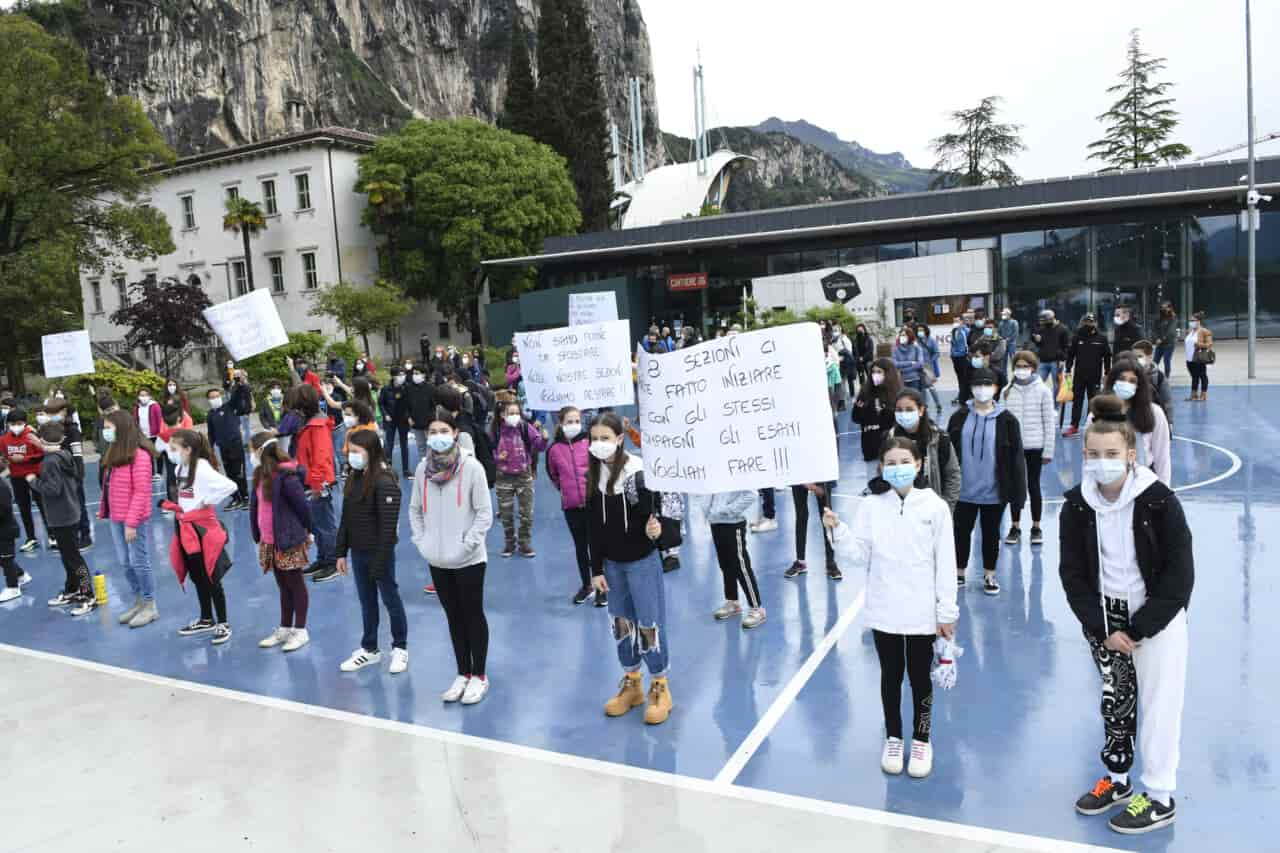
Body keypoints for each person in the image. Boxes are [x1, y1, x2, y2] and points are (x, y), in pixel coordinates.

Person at [1059, 394, 1192, 835]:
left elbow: (1180, 572)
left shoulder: (1157, 499)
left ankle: (1159, 795)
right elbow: (1072, 573)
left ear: (1131, 455)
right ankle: (1117, 781)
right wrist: (1100, 629)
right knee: (1116, 703)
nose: (1102, 463)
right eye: (1093, 455)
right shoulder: (1076, 506)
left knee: (1158, 705)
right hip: (1106, 620)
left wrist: (1140, 628)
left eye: (1112, 454)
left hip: (1155, 620)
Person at [826, 437, 957, 779]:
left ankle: (922, 739)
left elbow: (945, 563)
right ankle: (894, 737)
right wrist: (838, 530)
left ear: (918, 465)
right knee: (890, 677)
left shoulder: (935, 507)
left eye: (904, 461)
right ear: (881, 468)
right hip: (884, 610)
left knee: (919, 679)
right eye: (890, 462)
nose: (897, 468)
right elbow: (859, 554)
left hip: (923, 615)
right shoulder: (872, 505)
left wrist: (946, 613)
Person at [586, 413, 673, 725]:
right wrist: (595, 570)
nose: (599, 444)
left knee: (649, 623)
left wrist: (656, 531)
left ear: (620, 438)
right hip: (612, 567)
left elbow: (658, 518)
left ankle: (660, 685)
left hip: (641, 563)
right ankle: (632, 682)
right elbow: (592, 528)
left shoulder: (637, 472)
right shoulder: (593, 473)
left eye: (605, 438)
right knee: (621, 623)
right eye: (594, 438)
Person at [408, 413, 494, 702]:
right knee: (453, 616)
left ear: (455, 433)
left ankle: (479, 675)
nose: (437, 435)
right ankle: (462, 673)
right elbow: (415, 509)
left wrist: (468, 544)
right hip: (437, 559)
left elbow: (484, 513)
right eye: (432, 430)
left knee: (472, 615)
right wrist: (422, 542)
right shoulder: (422, 470)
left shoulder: (472, 468)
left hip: (468, 559)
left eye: (443, 430)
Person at [333, 430, 408, 674]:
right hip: (358, 552)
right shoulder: (354, 478)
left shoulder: (385, 481)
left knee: (390, 599)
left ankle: (400, 648)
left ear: (371, 451)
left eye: (356, 452)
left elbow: (388, 529)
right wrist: (341, 551)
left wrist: (380, 562)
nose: (351, 456)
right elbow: (346, 517)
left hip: (380, 552)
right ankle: (370, 649)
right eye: (349, 451)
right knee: (367, 601)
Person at [947, 368, 1026, 595]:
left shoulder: (1008, 420)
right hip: (963, 491)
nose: (982, 389)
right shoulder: (959, 417)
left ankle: (990, 575)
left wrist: (1017, 495)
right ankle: (959, 572)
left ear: (996, 388)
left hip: (994, 492)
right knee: (960, 533)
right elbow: (946, 454)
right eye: (977, 384)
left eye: (987, 384)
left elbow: (1017, 460)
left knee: (991, 535)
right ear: (971, 388)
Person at [165, 430, 237, 644]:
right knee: (197, 575)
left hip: (203, 530)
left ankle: (223, 622)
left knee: (211, 576)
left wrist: (208, 500)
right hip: (185, 528)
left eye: (174, 449)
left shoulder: (203, 468)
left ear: (188, 450)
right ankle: (206, 618)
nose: (171, 453)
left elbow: (230, 486)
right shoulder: (180, 468)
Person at [250, 431, 313, 652]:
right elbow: (256, 506)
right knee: (282, 584)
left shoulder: (286, 477)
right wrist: (257, 534)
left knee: (295, 582)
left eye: (251, 450)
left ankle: (301, 629)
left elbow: (302, 507)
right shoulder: (259, 474)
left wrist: (309, 531)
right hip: (270, 540)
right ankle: (285, 627)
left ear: (259, 451)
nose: (250, 455)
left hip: (288, 538)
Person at [98, 410, 160, 627]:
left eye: (108, 427)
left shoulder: (140, 456)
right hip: (117, 517)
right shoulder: (116, 452)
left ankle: (150, 604)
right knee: (125, 562)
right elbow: (110, 486)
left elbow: (141, 492)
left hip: (134, 520)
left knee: (138, 561)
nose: (105, 431)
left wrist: (132, 523)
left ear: (121, 428)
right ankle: (139, 600)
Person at [29, 423, 96, 615]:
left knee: (73, 558)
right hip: (70, 512)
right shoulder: (64, 455)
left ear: (43, 441)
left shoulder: (50, 462)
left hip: (61, 516)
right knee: (68, 556)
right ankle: (72, 588)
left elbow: (52, 489)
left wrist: (33, 481)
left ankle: (88, 593)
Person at [869, 389, 960, 514]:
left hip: (931, 508)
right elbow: (882, 472)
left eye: (909, 409)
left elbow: (953, 475)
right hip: (898, 509)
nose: (904, 414)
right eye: (899, 410)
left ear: (921, 410)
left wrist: (946, 508)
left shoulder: (939, 438)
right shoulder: (888, 438)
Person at [1002, 351, 1056, 547]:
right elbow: (1002, 422)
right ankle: (1015, 526)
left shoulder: (1043, 391)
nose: (1021, 370)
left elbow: (1049, 422)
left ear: (1033, 368)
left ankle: (1036, 526)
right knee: (1015, 487)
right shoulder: (1007, 391)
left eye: (1025, 366)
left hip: (1035, 446)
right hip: (1013, 448)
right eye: (1018, 366)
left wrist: (1048, 450)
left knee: (1034, 486)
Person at [546, 406, 598, 606]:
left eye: (577, 420)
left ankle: (602, 586)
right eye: (569, 421)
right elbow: (553, 475)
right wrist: (567, 490)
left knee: (598, 546)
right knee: (580, 546)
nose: (574, 425)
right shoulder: (554, 450)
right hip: (571, 506)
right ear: (560, 423)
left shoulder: (589, 442)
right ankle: (587, 585)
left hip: (593, 502)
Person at [1095, 361, 1171, 486]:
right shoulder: (1098, 412)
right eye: (1122, 379)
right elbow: (1089, 454)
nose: (1126, 384)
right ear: (1112, 381)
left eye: (1132, 381)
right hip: (1109, 482)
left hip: (1144, 481)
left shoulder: (1154, 412)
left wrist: (1164, 489)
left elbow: (1162, 456)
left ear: (1139, 386)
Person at [700, 488, 766, 629]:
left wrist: (729, 510)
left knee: (741, 567)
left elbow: (752, 494)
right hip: (715, 522)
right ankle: (732, 602)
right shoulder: (713, 470)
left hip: (733, 523)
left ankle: (757, 608)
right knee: (725, 565)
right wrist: (709, 512)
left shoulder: (734, 471)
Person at [292, 385, 339, 583]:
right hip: (310, 481)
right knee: (317, 524)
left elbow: (321, 458)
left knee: (325, 524)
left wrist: (318, 485)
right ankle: (323, 558)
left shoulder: (317, 427)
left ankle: (332, 562)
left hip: (318, 482)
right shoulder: (310, 424)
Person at [491, 399, 547, 559]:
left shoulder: (524, 427)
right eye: (511, 413)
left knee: (526, 513)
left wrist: (543, 439)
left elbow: (539, 446)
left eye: (517, 413)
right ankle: (509, 542)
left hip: (524, 476)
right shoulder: (496, 430)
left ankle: (524, 543)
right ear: (502, 415)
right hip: (503, 477)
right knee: (506, 513)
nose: (515, 416)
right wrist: (497, 458)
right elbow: (489, 452)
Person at [43, 399, 91, 550]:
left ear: (64, 411)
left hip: (72, 474)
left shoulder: (72, 430)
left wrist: (78, 476)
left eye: (54, 413)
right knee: (65, 506)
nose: (51, 416)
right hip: (57, 474)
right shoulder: (48, 428)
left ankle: (85, 534)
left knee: (79, 504)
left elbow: (77, 455)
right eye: (49, 413)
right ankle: (71, 535)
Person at [0, 409, 44, 553]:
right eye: (12, 423)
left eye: (19, 423)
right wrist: (4, 461)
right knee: (24, 508)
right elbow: (4, 457)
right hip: (17, 477)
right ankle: (31, 538)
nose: (16, 426)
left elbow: (41, 455)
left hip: (35, 475)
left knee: (43, 505)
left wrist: (23, 459)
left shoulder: (31, 436)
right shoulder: (4, 439)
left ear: (25, 423)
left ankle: (52, 534)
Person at [1064, 313, 1112, 438]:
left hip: (1095, 376)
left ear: (1095, 323)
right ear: (1082, 322)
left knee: (1093, 401)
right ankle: (1074, 426)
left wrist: (1107, 373)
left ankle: (1090, 425)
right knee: (1077, 401)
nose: (1088, 324)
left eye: (1091, 322)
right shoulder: (1076, 337)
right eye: (1086, 321)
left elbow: (1107, 357)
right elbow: (1070, 355)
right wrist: (1068, 369)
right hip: (1079, 376)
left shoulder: (1102, 338)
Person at [852, 358, 901, 462]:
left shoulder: (896, 394)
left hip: (890, 447)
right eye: (873, 372)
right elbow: (856, 418)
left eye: (879, 372)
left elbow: (897, 420)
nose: (875, 375)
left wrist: (884, 410)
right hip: (869, 446)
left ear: (888, 373)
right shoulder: (865, 392)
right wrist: (858, 408)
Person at [0, 458, 32, 602]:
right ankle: (20, 575)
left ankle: (13, 588)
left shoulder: (2, 486)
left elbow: (4, 509)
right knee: (3, 558)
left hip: (5, 530)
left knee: (6, 559)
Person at [1131, 341, 1173, 428]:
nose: (1136, 360)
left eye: (1140, 356)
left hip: (1153, 421)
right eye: (1134, 357)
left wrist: (1169, 423)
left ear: (1149, 357)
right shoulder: (1129, 374)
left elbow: (1167, 402)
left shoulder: (1159, 377)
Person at [1031, 309, 1072, 399]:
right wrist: (1037, 340)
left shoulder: (1063, 329)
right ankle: (1040, 401)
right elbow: (1039, 343)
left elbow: (1067, 346)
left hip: (1056, 361)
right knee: (1037, 382)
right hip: (1043, 360)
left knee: (1057, 385)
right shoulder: (1042, 329)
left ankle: (1056, 406)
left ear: (1051, 319)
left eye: (1045, 321)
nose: (1043, 323)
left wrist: (1063, 359)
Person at [404, 364, 436, 477]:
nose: (415, 375)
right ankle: (425, 465)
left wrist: (432, 421)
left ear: (424, 374)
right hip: (415, 422)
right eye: (414, 373)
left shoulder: (430, 388)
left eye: (417, 373)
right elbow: (406, 405)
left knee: (431, 445)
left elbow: (434, 406)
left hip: (428, 423)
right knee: (421, 445)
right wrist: (408, 417)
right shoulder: (409, 388)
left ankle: (433, 466)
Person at [379, 367, 411, 476]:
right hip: (390, 420)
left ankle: (406, 470)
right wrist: (385, 414)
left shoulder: (407, 387)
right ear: (393, 376)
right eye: (399, 375)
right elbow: (381, 403)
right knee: (389, 444)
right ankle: (388, 468)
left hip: (403, 420)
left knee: (404, 444)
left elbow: (409, 404)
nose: (402, 377)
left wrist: (408, 416)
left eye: (403, 374)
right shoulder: (386, 389)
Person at [1184, 312, 1213, 402]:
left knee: (1202, 375)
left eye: (1193, 320)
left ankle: (1203, 395)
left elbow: (1209, 344)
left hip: (1199, 358)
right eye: (1190, 320)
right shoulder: (1190, 331)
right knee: (1194, 377)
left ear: (1198, 321)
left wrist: (1199, 344)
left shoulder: (1204, 331)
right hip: (1189, 358)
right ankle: (1193, 395)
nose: (1191, 322)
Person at [916, 325, 944, 415]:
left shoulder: (931, 340)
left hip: (928, 367)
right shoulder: (916, 341)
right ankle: (924, 405)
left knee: (931, 386)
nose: (920, 332)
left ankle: (938, 404)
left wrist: (931, 361)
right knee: (922, 388)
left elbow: (936, 353)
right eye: (918, 330)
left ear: (926, 331)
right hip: (918, 366)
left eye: (921, 330)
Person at [136, 387, 164, 478]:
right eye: (141, 395)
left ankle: (159, 472)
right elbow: (135, 420)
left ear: (149, 396)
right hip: (143, 435)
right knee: (147, 456)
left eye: (145, 395)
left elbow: (159, 420)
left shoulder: (155, 406)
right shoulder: (137, 407)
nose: (143, 397)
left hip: (155, 435)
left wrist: (160, 434)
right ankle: (151, 473)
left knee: (157, 453)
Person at [891, 326, 927, 391]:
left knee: (915, 399)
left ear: (909, 336)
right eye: (900, 335)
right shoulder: (895, 349)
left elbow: (920, 363)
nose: (901, 337)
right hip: (901, 380)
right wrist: (911, 363)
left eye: (904, 335)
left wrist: (903, 370)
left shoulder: (917, 348)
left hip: (915, 379)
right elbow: (894, 364)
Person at [227, 370, 254, 449]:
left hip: (244, 410)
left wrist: (247, 411)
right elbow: (233, 397)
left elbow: (248, 398)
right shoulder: (235, 386)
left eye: (239, 375)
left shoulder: (246, 385)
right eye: (236, 376)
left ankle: (247, 443)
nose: (238, 377)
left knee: (246, 428)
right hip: (238, 411)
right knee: (240, 428)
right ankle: (244, 443)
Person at [949, 313, 971, 404]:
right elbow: (953, 344)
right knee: (959, 378)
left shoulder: (966, 331)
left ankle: (965, 396)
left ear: (962, 321)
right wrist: (952, 354)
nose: (955, 323)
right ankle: (961, 395)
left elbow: (969, 344)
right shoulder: (954, 331)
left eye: (957, 321)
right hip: (955, 358)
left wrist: (967, 354)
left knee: (965, 377)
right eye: (954, 321)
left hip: (964, 357)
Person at [1152, 302, 1178, 377]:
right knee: (1155, 361)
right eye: (1162, 307)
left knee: (1166, 360)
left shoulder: (1173, 318)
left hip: (1169, 344)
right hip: (1159, 344)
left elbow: (1170, 331)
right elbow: (1154, 329)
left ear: (1170, 308)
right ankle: (1153, 375)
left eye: (1165, 307)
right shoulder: (1159, 317)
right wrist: (1156, 338)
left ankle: (1167, 376)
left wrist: (1162, 339)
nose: (1163, 309)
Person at [853, 323, 876, 396]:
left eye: (861, 330)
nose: (860, 331)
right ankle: (863, 392)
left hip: (868, 360)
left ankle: (873, 391)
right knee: (861, 378)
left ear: (864, 330)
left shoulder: (869, 339)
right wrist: (858, 358)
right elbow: (854, 351)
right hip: (859, 362)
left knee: (870, 376)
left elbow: (870, 350)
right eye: (858, 330)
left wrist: (863, 358)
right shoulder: (856, 340)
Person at [998, 308, 1020, 372]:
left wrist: (1009, 339)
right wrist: (1000, 338)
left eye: (1005, 314)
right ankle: (1004, 374)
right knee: (1003, 360)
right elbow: (999, 332)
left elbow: (1015, 333)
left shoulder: (1014, 322)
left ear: (1009, 315)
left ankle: (1016, 372)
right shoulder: (1001, 323)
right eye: (1003, 314)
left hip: (1011, 343)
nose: (1003, 315)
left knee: (1013, 358)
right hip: (1003, 343)